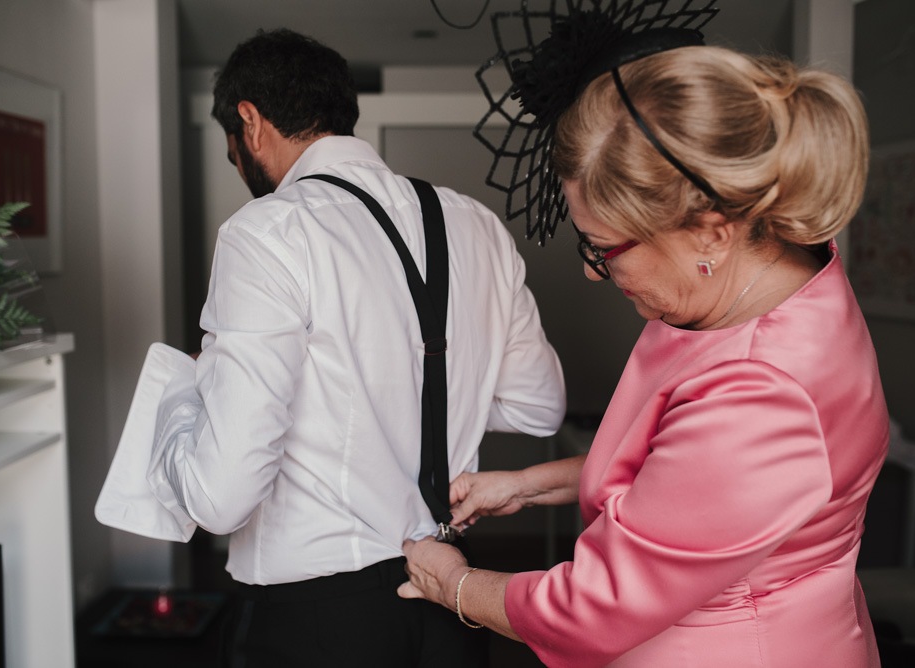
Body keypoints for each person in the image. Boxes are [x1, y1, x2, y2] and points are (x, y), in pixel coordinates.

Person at [397, 2, 889, 667]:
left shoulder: (765, 396)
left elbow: (590, 607)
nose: (592, 272)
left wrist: (452, 584)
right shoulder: (760, 266)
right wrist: (527, 484)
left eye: (605, 248)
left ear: (710, 229)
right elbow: (678, 471)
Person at [94, 27, 565, 667]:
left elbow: (220, 498)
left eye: (232, 150)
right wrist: (418, 397)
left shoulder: (267, 232)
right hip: (449, 591)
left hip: (317, 616)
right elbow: (538, 408)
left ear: (249, 122)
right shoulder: (474, 222)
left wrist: (185, 404)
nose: (238, 167)